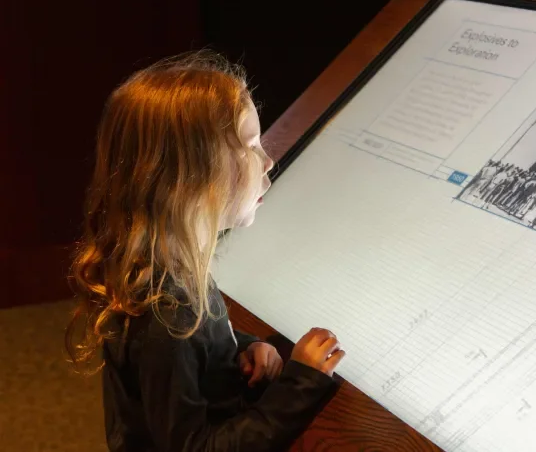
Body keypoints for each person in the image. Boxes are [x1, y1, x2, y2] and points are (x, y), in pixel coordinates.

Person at [65, 51, 345, 452]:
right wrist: (302, 383)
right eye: (249, 147)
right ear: (189, 178)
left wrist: (244, 347)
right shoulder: (166, 315)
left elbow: (197, 347)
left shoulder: (166, 268)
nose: (267, 162)